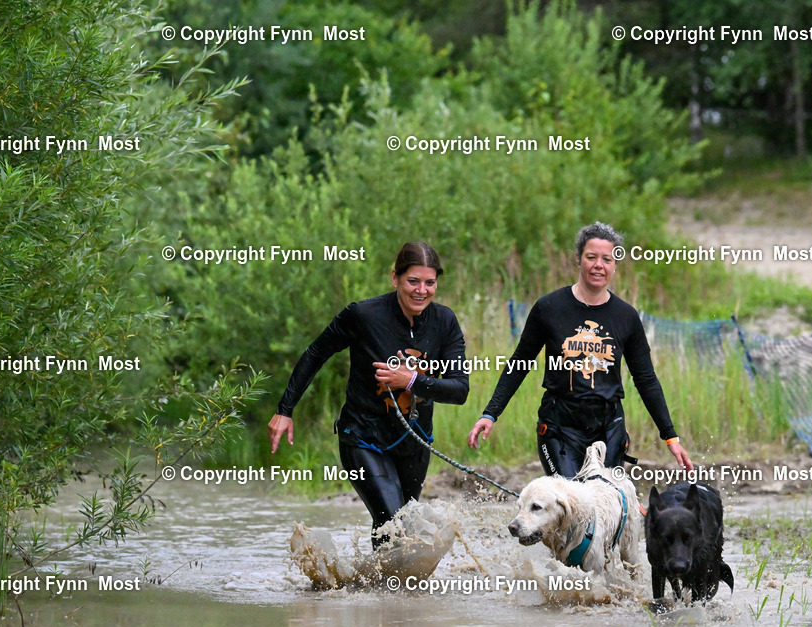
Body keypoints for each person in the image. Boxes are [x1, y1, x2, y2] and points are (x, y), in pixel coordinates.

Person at [269, 242, 468, 547]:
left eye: (430, 283)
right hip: (363, 438)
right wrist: (285, 409)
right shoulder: (362, 315)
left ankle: (377, 589)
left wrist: (411, 379)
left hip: (414, 442)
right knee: (395, 524)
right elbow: (315, 353)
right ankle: (385, 590)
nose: (422, 291)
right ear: (395, 278)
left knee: (401, 528)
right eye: (413, 281)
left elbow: (459, 390)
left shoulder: (445, 322)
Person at [467, 222, 693, 477]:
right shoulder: (548, 308)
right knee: (573, 502)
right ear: (578, 259)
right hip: (559, 428)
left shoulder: (626, 317)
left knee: (607, 505)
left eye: (606, 259)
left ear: (615, 264)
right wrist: (490, 413)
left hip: (609, 426)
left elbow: (646, 379)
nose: (599, 265)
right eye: (591, 257)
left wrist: (670, 436)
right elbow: (520, 363)